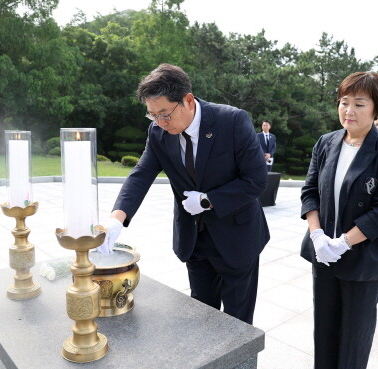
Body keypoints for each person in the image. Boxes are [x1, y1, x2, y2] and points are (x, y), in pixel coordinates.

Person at [99, 63, 270, 324]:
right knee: (201, 318)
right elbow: (142, 173)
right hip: (195, 239)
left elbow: (256, 180)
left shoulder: (232, 121)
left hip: (237, 237)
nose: (160, 122)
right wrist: (116, 218)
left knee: (238, 325)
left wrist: (207, 200)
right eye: (152, 115)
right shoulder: (158, 132)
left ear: (188, 100)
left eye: (165, 114)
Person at [301, 71, 378, 369]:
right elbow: (310, 192)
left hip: (364, 260)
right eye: (344, 102)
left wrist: (344, 242)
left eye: (359, 104)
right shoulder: (326, 142)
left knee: (353, 341)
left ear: (376, 109)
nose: (349, 111)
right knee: (324, 332)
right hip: (324, 256)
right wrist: (317, 237)